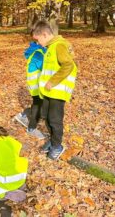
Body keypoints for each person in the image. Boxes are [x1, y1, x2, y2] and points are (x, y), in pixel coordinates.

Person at [31, 20, 77, 160]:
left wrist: (52, 81)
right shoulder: (50, 48)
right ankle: (52, 141)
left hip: (57, 91)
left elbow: (68, 65)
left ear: (44, 34)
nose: (38, 43)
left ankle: (57, 146)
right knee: (46, 116)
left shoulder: (59, 46)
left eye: (38, 40)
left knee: (55, 120)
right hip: (48, 92)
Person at [14, 41, 46, 139]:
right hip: (37, 85)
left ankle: (23, 114)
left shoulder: (37, 50)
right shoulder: (38, 53)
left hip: (35, 84)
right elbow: (46, 67)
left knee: (39, 104)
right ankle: (31, 128)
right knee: (39, 105)